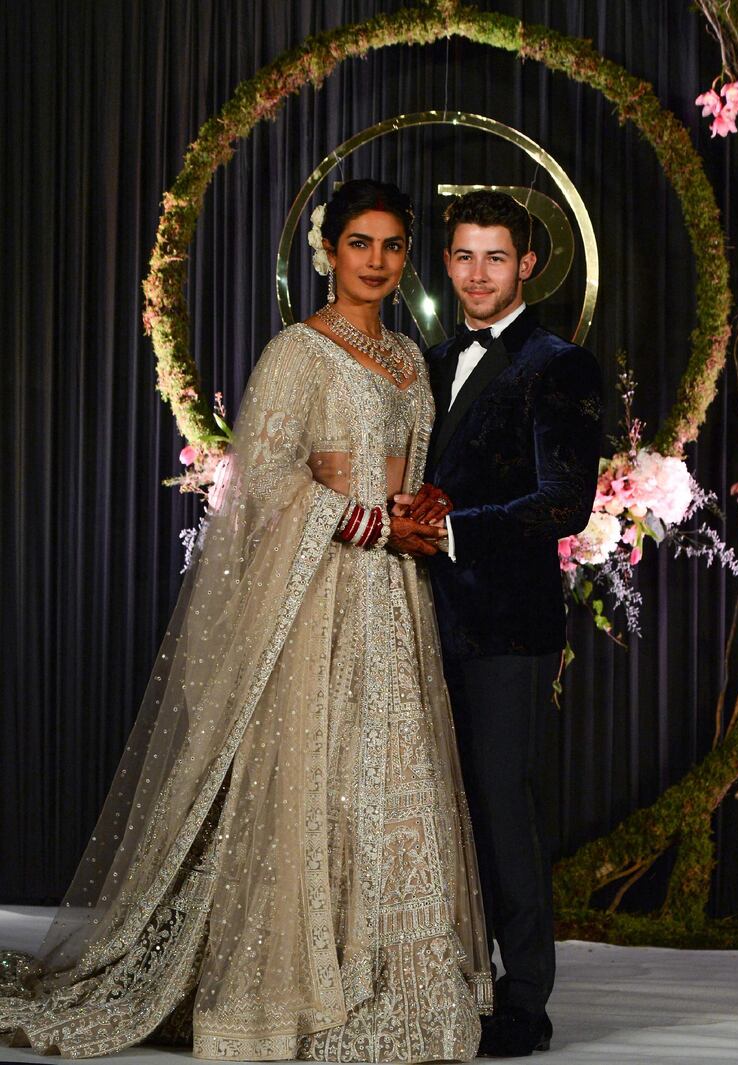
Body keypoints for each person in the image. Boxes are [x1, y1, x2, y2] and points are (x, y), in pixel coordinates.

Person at [0, 180, 492, 1061]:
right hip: (320, 594)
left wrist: (421, 508)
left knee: (394, 773)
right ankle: (298, 982)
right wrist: (367, 519)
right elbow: (264, 484)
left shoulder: (413, 362)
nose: (375, 262)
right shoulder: (297, 353)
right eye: (358, 245)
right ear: (327, 251)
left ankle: (396, 978)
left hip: (395, 598)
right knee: (320, 770)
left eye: (390, 247)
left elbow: (409, 466)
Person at [396, 190, 602, 1056]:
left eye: (496, 257)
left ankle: (525, 999)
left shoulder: (559, 363)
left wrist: (450, 529)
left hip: (507, 627)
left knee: (501, 806)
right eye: (464, 257)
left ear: (526, 266)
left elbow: (566, 502)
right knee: (432, 808)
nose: (479, 273)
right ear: (446, 266)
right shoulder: (425, 362)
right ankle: (451, 977)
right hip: (414, 618)